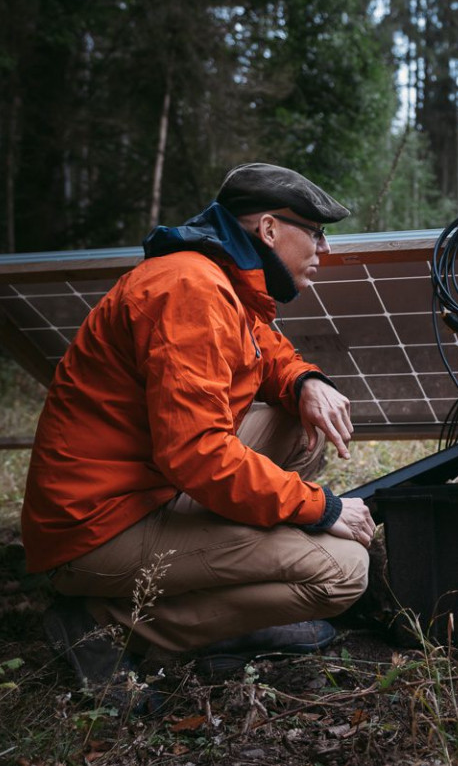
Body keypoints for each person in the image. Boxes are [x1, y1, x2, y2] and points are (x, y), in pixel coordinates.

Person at [22, 163, 374, 692]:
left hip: (148, 487)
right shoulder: (189, 289)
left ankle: (217, 581)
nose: (324, 249)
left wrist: (304, 381)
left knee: (292, 424)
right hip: (97, 527)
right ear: (270, 230)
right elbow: (198, 455)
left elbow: (261, 342)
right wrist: (320, 508)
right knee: (344, 570)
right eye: (318, 232)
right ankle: (106, 624)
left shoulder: (219, 275)